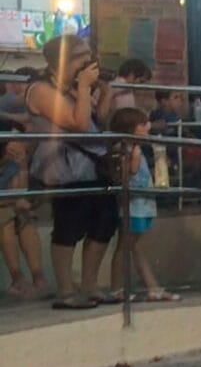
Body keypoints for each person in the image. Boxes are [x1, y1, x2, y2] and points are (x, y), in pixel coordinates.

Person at [26, 35, 117, 309]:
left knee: (104, 222)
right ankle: (65, 290)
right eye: (82, 57)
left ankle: (90, 286)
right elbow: (77, 123)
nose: (89, 62)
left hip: (92, 165)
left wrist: (103, 93)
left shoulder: (72, 87)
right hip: (63, 168)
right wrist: (86, 86)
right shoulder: (42, 90)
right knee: (69, 226)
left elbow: (95, 121)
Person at [106, 106, 178, 302]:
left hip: (141, 204)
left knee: (132, 247)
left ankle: (151, 286)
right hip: (134, 206)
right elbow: (131, 175)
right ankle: (117, 288)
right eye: (142, 124)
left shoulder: (130, 149)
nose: (147, 127)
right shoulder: (130, 151)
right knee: (126, 246)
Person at [0, 134, 46, 298]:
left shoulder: (12, 162)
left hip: (9, 206)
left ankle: (38, 278)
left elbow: (21, 193)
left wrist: (22, 165)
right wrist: (11, 202)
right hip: (4, 210)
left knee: (24, 217)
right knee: (5, 218)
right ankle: (17, 278)